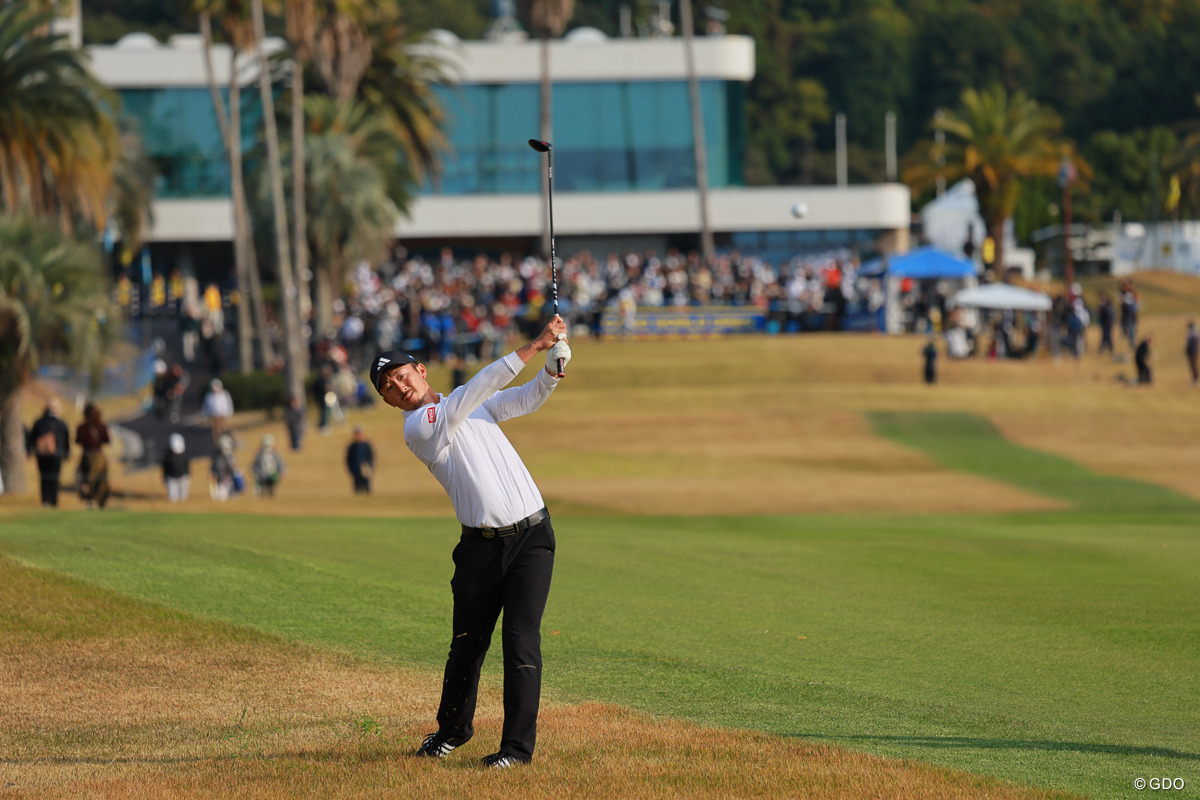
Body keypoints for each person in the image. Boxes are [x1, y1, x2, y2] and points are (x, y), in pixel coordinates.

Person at [372, 314, 571, 769]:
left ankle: (517, 752)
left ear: (420, 370)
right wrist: (537, 343)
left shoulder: (470, 403)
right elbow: (473, 392)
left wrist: (551, 372)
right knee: (467, 644)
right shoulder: (421, 427)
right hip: (480, 549)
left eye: (401, 375)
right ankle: (453, 731)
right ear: (388, 401)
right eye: (389, 387)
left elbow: (521, 400)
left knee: (521, 641)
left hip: (533, 536)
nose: (399, 387)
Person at [25, 399, 70, 507]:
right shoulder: (61, 423)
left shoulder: (39, 422)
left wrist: (29, 451)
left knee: (44, 478)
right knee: (54, 478)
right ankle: (54, 501)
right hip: (56, 455)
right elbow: (66, 440)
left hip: (42, 455)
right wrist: (66, 454)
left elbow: (31, 438)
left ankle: (45, 500)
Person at [75, 403, 111, 509]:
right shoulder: (101, 426)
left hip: (87, 455)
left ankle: (90, 499)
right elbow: (107, 440)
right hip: (99, 455)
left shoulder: (82, 427)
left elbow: (78, 441)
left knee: (87, 478)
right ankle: (101, 500)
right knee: (100, 478)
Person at [201, 378, 234, 445]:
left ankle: (225, 444)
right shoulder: (209, 396)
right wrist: (204, 415)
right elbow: (205, 406)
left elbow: (229, 404)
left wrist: (229, 413)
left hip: (223, 416)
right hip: (214, 417)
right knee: (216, 432)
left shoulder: (224, 394)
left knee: (224, 430)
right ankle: (217, 445)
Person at [161, 433, 191, 502]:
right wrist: (165, 476)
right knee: (173, 498)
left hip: (183, 477)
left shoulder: (184, 455)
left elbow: (187, 466)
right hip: (171, 478)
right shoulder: (167, 456)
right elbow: (165, 467)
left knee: (183, 498)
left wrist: (187, 475)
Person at [345, 426, 375, 494]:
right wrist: (351, 468)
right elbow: (349, 459)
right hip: (355, 469)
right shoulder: (352, 446)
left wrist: (369, 467)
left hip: (365, 468)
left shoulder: (367, 445)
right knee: (357, 487)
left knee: (367, 486)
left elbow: (371, 457)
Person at [1186, 320, 1199, 385]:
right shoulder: (1192, 333)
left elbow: (1193, 345)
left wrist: (1190, 351)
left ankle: (1196, 379)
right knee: (1192, 366)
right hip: (1192, 353)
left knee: (1194, 366)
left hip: (1193, 353)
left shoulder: (1193, 334)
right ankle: (1194, 378)